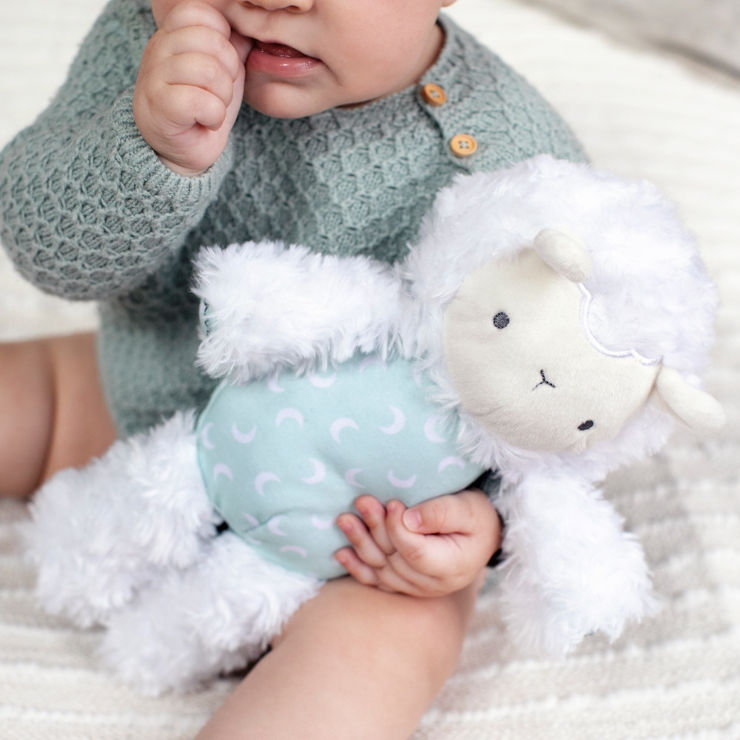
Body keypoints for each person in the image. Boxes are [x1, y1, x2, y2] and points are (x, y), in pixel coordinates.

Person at [0, 0, 585, 736]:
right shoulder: (152, 45)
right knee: (30, 395)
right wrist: (151, 147)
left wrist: (484, 520)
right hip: (145, 408)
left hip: (357, 538)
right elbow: (47, 254)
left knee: (382, 646)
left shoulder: (518, 169)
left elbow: (566, 395)